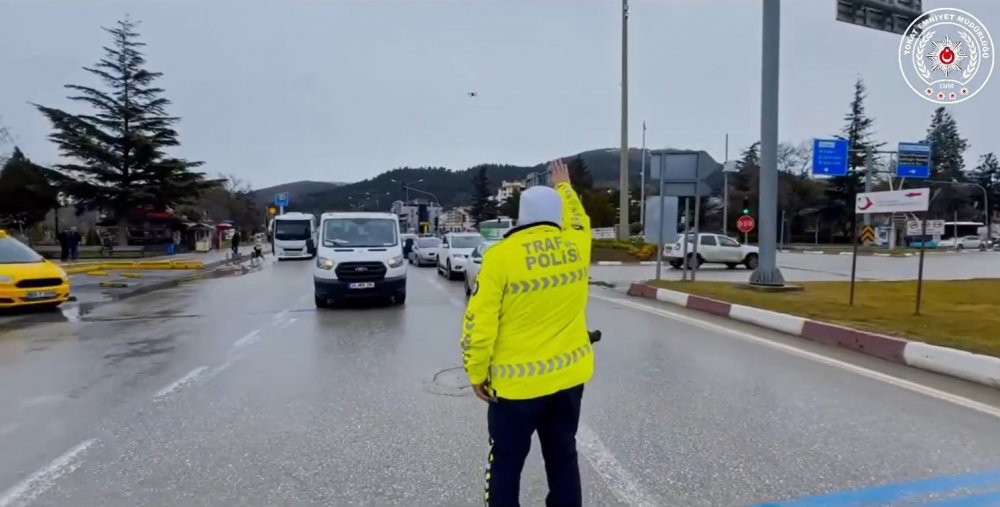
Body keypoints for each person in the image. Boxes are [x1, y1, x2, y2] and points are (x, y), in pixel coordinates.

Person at [461, 159, 592, 507]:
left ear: (521, 217)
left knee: (506, 463)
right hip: (568, 381)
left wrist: (476, 372)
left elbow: (479, 322)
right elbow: (580, 219)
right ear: (558, 214)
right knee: (563, 456)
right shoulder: (577, 246)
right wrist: (565, 186)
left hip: (517, 388)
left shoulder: (500, 256)